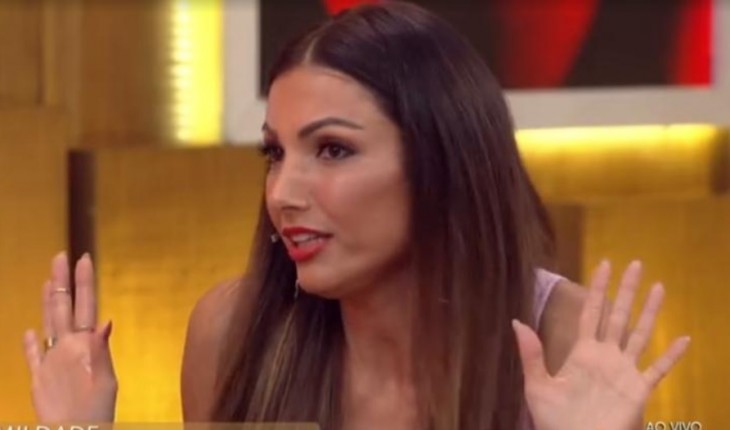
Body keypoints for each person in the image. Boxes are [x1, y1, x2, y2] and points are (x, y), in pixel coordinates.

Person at [22, 3, 690, 429]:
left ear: (441, 159)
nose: (284, 192)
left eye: (333, 150)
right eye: (275, 154)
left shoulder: (565, 339)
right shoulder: (232, 333)